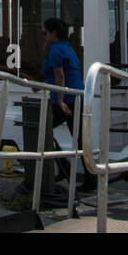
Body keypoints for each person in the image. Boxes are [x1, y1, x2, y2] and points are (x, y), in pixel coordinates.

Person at [42, 18, 94, 190]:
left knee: (43, 130)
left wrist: (61, 100)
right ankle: (84, 175)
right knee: (78, 138)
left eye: (46, 32)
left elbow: (60, 76)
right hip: (77, 96)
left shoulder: (56, 49)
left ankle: (65, 168)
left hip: (67, 99)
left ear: (53, 33)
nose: (45, 36)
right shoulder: (67, 47)